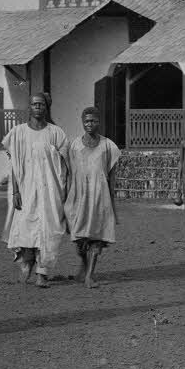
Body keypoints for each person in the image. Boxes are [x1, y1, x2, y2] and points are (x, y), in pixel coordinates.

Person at [1, 92, 70, 287]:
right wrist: (15, 191)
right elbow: (14, 165)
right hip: (26, 190)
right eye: (34, 104)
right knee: (25, 228)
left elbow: (66, 166)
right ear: (29, 107)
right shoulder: (18, 133)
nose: (37, 107)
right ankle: (27, 262)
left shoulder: (56, 133)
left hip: (51, 191)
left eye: (41, 104)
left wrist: (66, 192)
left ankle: (43, 271)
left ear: (46, 107)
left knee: (49, 229)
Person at [65, 106, 122, 288]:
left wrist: (112, 201)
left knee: (97, 236)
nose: (90, 124)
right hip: (79, 196)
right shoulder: (74, 145)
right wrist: (67, 196)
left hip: (100, 197)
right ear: (82, 123)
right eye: (87, 121)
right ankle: (84, 263)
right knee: (79, 238)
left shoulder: (108, 146)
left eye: (93, 121)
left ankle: (90, 275)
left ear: (99, 122)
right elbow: (68, 173)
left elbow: (112, 175)